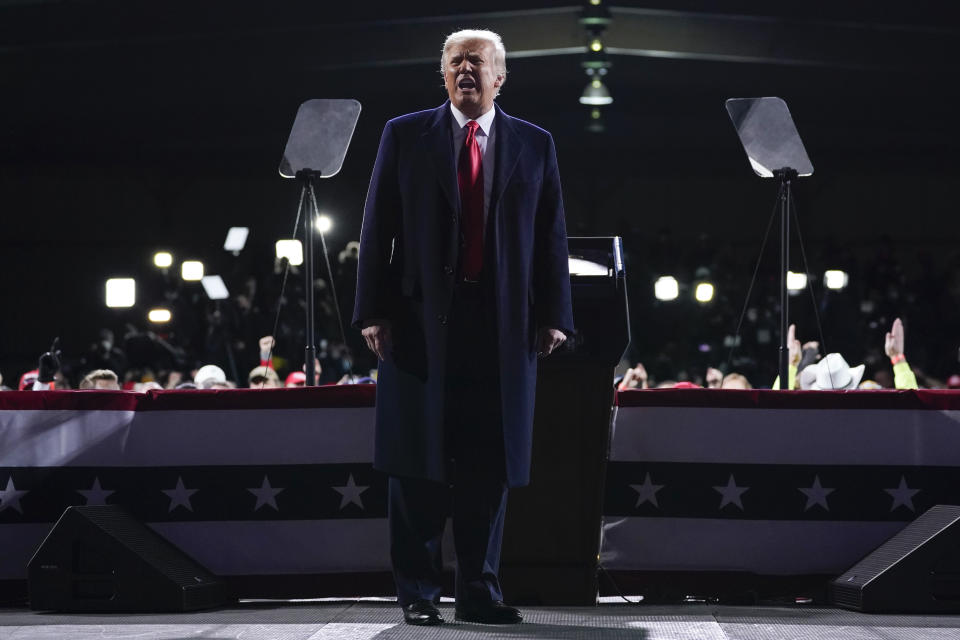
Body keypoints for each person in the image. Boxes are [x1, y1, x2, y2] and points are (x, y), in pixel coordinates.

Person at [352, 28, 573, 626]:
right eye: (455, 63)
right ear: (442, 76)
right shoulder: (404, 134)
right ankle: (419, 595)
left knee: (487, 465)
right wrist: (371, 309)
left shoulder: (536, 144)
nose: (465, 70)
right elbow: (378, 226)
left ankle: (479, 591)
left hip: (502, 328)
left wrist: (554, 314)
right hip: (419, 325)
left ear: (500, 77)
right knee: (417, 463)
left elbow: (551, 234)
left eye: (477, 62)